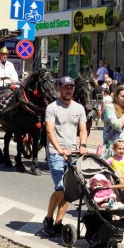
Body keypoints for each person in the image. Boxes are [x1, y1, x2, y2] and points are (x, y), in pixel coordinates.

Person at [43, 76, 88, 237]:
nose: (68, 90)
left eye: (71, 87)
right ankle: (48, 218)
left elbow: (83, 130)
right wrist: (60, 150)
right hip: (56, 152)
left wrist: (82, 145)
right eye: (65, 87)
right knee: (60, 189)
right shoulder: (52, 107)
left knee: (69, 191)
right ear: (59, 89)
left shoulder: (79, 108)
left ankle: (58, 222)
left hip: (73, 153)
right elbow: (49, 131)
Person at [101, 85, 124, 172]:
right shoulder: (110, 107)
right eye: (122, 96)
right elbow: (117, 126)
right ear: (117, 96)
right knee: (114, 180)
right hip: (113, 150)